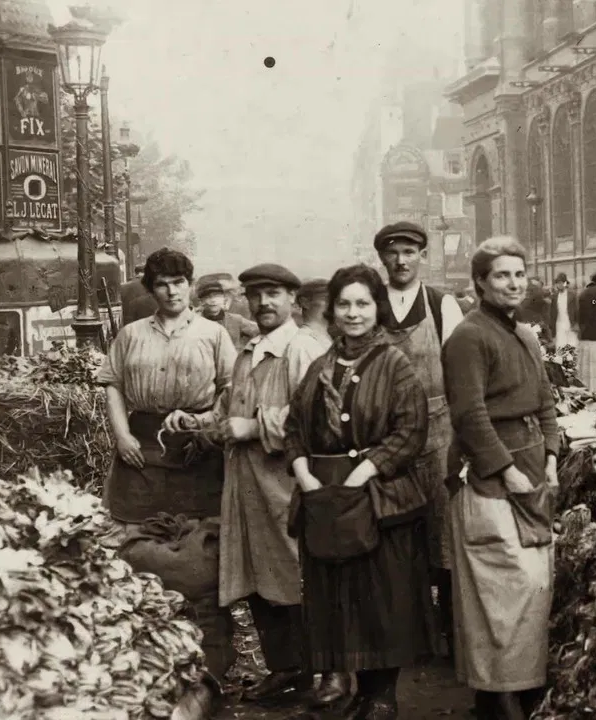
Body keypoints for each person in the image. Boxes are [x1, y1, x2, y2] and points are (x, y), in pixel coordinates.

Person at [284, 264, 434, 720]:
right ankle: (354, 691)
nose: (353, 313)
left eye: (362, 304)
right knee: (336, 599)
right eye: (344, 304)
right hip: (326, 498)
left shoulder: (395, 363)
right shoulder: (320, 366)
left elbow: (411, 431)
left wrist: (366, 469)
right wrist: (304, 475)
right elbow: (293, 428)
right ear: (332, 309)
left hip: (379, 497)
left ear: (377, 308)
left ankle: (382, 696)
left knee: (380, 599)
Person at [178, 264, 316, 704]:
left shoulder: (300, 350)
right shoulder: (248, 351)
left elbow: (312, 417)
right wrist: (197, 422)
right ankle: (283, 669)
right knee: (255, 580)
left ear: (293, 299)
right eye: (256, 295)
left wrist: (255, 428)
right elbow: (226, 410)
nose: (264, 304)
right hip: (245, 486)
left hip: (282, 486)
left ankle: (312, 672)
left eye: (273, 294)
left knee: (292, 579)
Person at [442, 237, 561, 720]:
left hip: (532, 473)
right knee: (502, 589)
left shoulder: (526, 335)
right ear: (479, 285)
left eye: (519, 273)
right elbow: (469, 415)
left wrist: (551, 455)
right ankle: (496, 698)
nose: (514, 283)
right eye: (502, 275)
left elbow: (546, 401)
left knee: (535, 588)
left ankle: (523, 691)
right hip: (492, 480)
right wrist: (506, 471)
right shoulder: (469, 337)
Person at [373, 221, 464, 663]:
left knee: (442, 534)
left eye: (409, 252)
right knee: (392, 534)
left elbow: (461, 371)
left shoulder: (441, 304)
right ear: (382, 259)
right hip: (385, 436)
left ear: (422, 256)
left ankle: (449, 631)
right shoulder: (369, 305)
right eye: (393, 253)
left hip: (439, 432)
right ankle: (406, 636)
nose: (401, 260)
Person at [97, 247, 234, 526]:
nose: (172, 292)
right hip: (141, 447)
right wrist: (122, 436)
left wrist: (205, 420)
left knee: (196, 535)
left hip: (196, 446)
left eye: (179, 282)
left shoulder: (213, 334)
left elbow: (231, 387)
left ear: (190, 286)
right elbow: (113, 384)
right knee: (134, 531)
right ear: (150, 289)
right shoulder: (130, 335)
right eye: (162, 284)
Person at [197, 273, 259, 349]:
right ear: (202, 300)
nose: (213, 300)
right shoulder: (195, 320)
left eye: (217, 296)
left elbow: (260, 330)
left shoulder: (236, 318)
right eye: (208, 296)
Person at [547, 273, 579, 349]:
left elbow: (577, 310)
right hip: (559, 325)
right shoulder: (554, 296)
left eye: (561, 283)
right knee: (560, 347)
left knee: (572, 346)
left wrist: (576, 323)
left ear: (565, 283)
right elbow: (552, 313)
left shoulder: (572, 295)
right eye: (558, 283)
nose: (559, 285)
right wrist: (551, 327)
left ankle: (571, 360)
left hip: (570, 324)